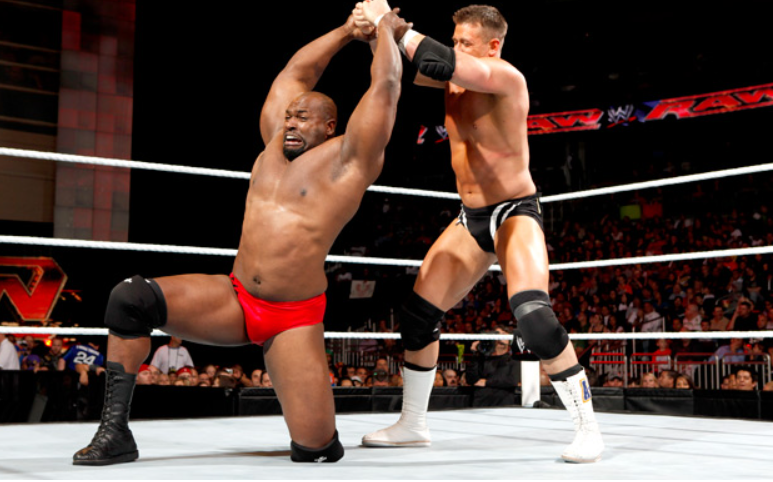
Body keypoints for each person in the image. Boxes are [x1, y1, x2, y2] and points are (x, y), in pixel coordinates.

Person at [72, 12, 408, 466]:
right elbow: (296, 72)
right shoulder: (272, 145)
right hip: (235, 298)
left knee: (316, 450)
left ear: (329, 126)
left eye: (303, 117)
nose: (291, 123)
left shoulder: (350, 160)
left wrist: (383, 29)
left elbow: (385, 86)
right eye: (289, 115)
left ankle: (318, 434)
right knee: (130, 298)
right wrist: (348, 31)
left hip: (293, 317)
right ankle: (115, 432)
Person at [355, 1, 603, 462]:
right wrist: (375, 32)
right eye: (454, 40)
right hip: (469, 216)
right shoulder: (454, 76)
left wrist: (392, 23)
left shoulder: (505, 77)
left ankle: (588, 428)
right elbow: (405, 66)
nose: (456, 48)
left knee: (534, 317)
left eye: (465, 42)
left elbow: (434, 59)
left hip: (513, 212)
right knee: (417, 316)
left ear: (493, 46)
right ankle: (413, 423)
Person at [465, 328, 521, 407]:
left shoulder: (514, 360)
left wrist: (486, 382)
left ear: (509, 340)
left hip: (504, 404)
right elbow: (471, 380)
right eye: (498, 334)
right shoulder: (481, 358)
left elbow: (512, 381)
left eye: (503, 334)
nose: (500, 337)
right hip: (481, 403)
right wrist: (474, 354)